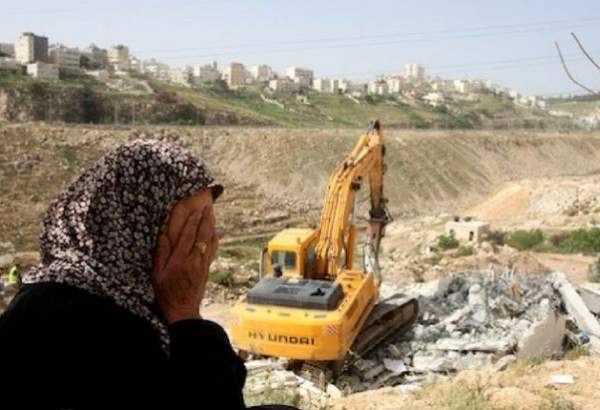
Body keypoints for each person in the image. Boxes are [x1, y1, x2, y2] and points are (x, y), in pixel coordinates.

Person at [0, 140, 298, 410]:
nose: (207, 248)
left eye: (209, 228)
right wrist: (185, 313)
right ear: (134, 228)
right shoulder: (87, 325)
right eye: (194, 229)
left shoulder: (110, 296)